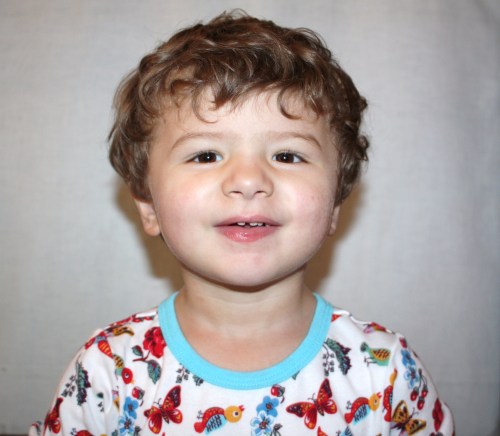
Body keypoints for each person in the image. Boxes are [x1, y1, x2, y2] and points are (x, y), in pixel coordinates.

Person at [30, 11, 454, 436]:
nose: (249, 180)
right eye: (206, 155)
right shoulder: (107, 371)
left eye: (287, 156)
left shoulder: (386, 375)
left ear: (335, 204)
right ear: (148, 205)